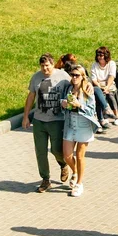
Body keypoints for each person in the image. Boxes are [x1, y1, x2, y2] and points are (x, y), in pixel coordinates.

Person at [23, 54, 71, 192]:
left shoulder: (63, 76)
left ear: (52, 64)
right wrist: (26, 116)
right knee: (40, 151)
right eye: (42, 66)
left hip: (57, 120)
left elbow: (74, 88)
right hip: (39, 120)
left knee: (56, 150)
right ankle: (45, 179)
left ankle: (63, 165)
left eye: (47, 66)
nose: (45, 68)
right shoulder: (36, 77)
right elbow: (31, 97)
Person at [61, 65, 100, 197]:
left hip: (83, 125)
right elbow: (62, 103)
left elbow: (91, 110)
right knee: (67, 155)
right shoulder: (68, 88)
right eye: (72, 75)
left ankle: (79, 183)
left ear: (83, 76)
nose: (74, 77)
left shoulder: (87, 90)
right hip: (70, 124)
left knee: (80, 156)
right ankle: (75, 171)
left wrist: (79, 105)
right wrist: (64, 104)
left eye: (77, 75)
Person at [90, 47, 118, 128]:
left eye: (102, 55)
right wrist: (100, 87)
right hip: (98, 84)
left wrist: (107, 87)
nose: (100, 57)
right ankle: (104, 116)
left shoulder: (111, 63)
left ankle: (116, 116)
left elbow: (112, 76)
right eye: (98, 55)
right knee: (100, 95)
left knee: (110, 95)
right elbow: (94, 79)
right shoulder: (94, 65)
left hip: (109, 84)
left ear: (106, 56)